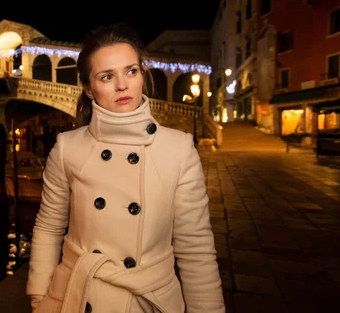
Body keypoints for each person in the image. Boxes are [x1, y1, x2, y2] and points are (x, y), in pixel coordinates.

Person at [26, 23, 224, 312]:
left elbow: (196, 249)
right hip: (78, 297)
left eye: (131, 71)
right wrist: (39, 298)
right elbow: (48, 227)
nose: (122, 85)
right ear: (89, 89)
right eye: (107, 76)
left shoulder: (179, 149)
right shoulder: (67, 147)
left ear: (142, 76)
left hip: (149, 301)